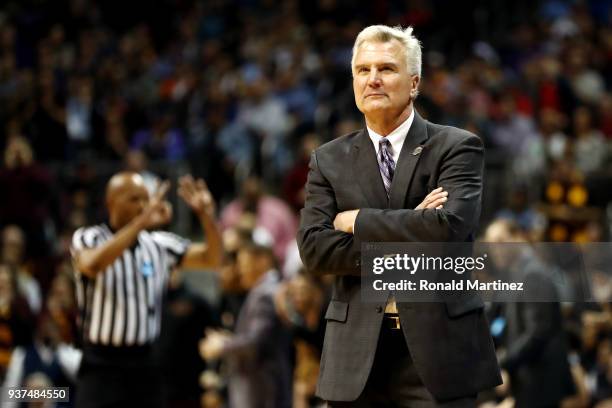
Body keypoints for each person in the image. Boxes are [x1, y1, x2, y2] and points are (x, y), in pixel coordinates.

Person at [297, 25, 501, 406]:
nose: (373, 79)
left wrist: (356, 221)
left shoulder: (457, 146)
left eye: (387, 69)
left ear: (414, 82)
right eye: (363, 70)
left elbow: (448, 231)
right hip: (355, 353)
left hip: (438, 354)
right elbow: (314, 250)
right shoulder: (327, 159)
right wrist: (413, 228)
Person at [70, 172, 222, 408]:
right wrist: (141, 222)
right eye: (134, 199)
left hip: (146, 362)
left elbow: (212, 258)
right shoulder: (89, 237)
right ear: (111, 202)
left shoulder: (159, 245)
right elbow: (92, 265)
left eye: (146, 199)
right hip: (101, 364)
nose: (143, 205)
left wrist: (206, 217)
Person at [199, 242, 292, 408]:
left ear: (262, 261)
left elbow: (256, 342)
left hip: (261, 389)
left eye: (245, 264)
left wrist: (222, 346)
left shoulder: (265, 293)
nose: (240, 270)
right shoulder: (267, 289)